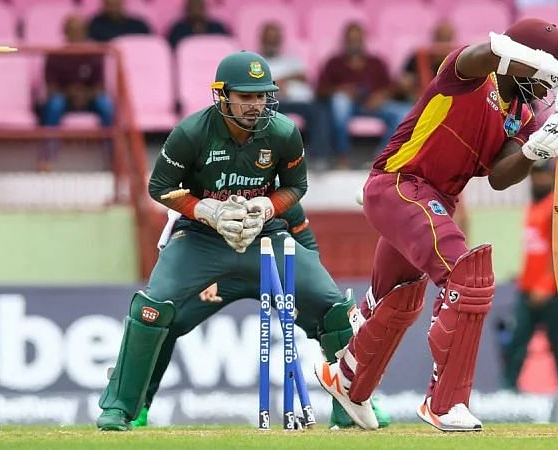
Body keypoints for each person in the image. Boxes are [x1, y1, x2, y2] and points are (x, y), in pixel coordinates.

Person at [314, 18, 558, 431]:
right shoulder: (470, 74)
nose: (548, 87)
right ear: (523, 60)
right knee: (469, 275)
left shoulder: (523, 114)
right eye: (546, 73)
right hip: (400, 184)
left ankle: (348, 379)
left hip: (436, 201)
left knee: (400, 299)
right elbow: (480, 54)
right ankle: (445, 403)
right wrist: (533, 60)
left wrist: (537, 147)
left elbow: (500, 176)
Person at [95, 50, 389, 431]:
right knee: (153, 309)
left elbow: (296, 187)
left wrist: (267, 207)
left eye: (261, 95)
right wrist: (206, 211)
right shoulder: (191, 133)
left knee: (334, 309)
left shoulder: (283, 132)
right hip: (203, 240)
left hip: (265, 239)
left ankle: (355, 404)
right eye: (246, 96)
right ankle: (123, 407)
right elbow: (160, 187)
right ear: (222, 95)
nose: (255, 105)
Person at [502, 161, 558, 391]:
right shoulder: (532, 206)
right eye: (535, 175)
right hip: (527, 287)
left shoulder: (556, 207)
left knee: (557, 341)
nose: (538, 180)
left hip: (548, 290)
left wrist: (546, 284)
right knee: (518, 340)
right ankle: (509, 389)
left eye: (543, 176)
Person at [316, 22, 412, 169]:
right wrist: (341, 90)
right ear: (345, 41)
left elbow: (391, 87)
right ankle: (343, 156)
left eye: (357, 39)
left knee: (404, 111)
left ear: (363, 40)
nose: (354, 43)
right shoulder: (334, 62)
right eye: (351, 39)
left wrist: (381, 96)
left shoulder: (376, 62)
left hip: (375, 105)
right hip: (349, 106)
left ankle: (382, 157)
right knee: (340, 102)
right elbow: (320, 90)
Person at [260, 22, 333, 170]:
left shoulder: (291, 59)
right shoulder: (256, 61)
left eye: (275, 38)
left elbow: (303, 77)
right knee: (261, 110)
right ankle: (266, 160)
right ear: (262, 39)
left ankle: (319, 157)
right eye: (269, 38)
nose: (272, 41)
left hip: (299, 101)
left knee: (320, 110)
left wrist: (284, 80)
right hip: (271, 101)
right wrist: (275, 84)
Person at [42, 15, 114, 128]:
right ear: (65, 33)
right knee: (55, 104)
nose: (76, 35)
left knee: (105, 104)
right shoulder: (54, 56)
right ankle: (50, 143)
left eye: (80, 31)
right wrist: (70, 94)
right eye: (72, 31)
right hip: (64, 97)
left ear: (86, 33)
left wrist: (84, 95)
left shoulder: (94, 55)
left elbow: (100, 87)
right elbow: (51, 88)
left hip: (88, 98)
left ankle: (109, 144)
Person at [397, 21, 455, 103]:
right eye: (441, 38)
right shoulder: (418, 56)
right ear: (434, 37)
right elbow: (405, 80)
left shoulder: (457, 61)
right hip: (416, 101)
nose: (443, 43)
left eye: (447, 38)